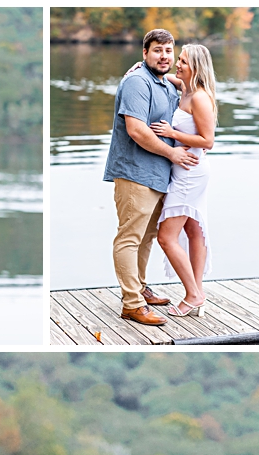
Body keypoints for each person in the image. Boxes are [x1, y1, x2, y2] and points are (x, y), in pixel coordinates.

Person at [102, 28, 200, 328]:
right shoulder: (137, 82)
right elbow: (136, 129)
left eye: (169, 51)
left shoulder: (163, 82)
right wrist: (172, 154)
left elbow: (195, 86)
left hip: (158, 176)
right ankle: (132, 304)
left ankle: (141, 288)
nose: (164, 56)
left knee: (146, 237)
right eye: (157, 50)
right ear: (144, 53)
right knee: (129, 238)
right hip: (134, 173)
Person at [151, 44, 217, 317]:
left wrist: (171, 133)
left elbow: (208, 141)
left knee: (166, 237)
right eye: (178, 59)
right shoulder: (186, 88)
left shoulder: (199, 98)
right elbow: (166, 75)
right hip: (185, 170)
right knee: (193, 231)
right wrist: (140, 68)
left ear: (197, 67)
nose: (177, 64)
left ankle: (193, 294)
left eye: (183, 61)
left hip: (191, 172)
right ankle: (197, 293)